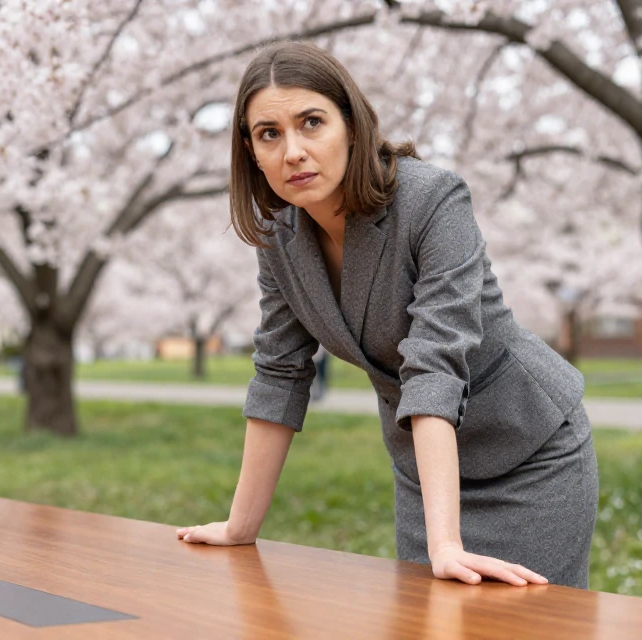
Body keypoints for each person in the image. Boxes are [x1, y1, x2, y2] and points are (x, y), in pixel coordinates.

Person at [176, 42, 598, 589]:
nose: (293, 151)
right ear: (252, 152)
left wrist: (446, 544)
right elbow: (280, 372)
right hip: (423, 470)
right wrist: (241, 527)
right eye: (269, 134)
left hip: (530, 452)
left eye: (311, 123)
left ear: (352, 126)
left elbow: (435, 367)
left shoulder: (432, 201)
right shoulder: (279, 237)